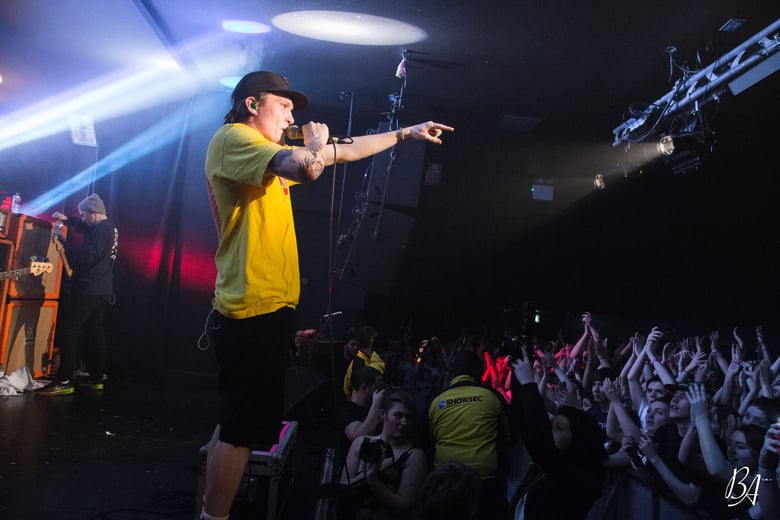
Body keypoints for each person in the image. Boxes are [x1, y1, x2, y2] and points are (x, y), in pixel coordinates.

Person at [201, 70, 452, 520]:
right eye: (284, 106)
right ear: (253, 105)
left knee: (238, 421)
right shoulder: (234, 138)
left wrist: (404, 133)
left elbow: (349, 149)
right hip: (250, 309)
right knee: (241, 431)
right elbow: (309, 167)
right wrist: (315, 144)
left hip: (265, 308)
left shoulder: (265, 151)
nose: (293, 115)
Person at [509, 348, 607, 519]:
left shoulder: (578, 475)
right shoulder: (558, 462)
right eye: (552, 425)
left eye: (559, 428)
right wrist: (519, 379)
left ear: (578, 436)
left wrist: (529, 384)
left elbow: (541, 440)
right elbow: (526, 427)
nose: (550, 431)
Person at [37, 192, 118, 395]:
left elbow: (87, 256)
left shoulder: (101, 230)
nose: (81, 219)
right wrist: (69, 220)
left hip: (90, 289)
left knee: (71, 330)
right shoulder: (108, 228)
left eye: (83, 215)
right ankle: (97, 377)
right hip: (102, 289)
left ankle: (64, 380)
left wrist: (64, 243)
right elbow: (86, 229)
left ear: (93, 213)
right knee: (96, 332)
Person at [428, 348, 511, 520]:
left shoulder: (436, 400)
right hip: (486, 483)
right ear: (477, 370)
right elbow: (508, 435)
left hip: (445, 482)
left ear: (454, 371)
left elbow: (428, 440)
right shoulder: (491, 396)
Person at [339, 387, 428, 519]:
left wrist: (374, 481)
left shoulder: (414, 455)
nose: (404, 422)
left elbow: (405, 506)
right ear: (382, 414)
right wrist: (363, 477)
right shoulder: (360, 443)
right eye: (398, 415)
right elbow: (341, 490)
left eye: (409, 418)